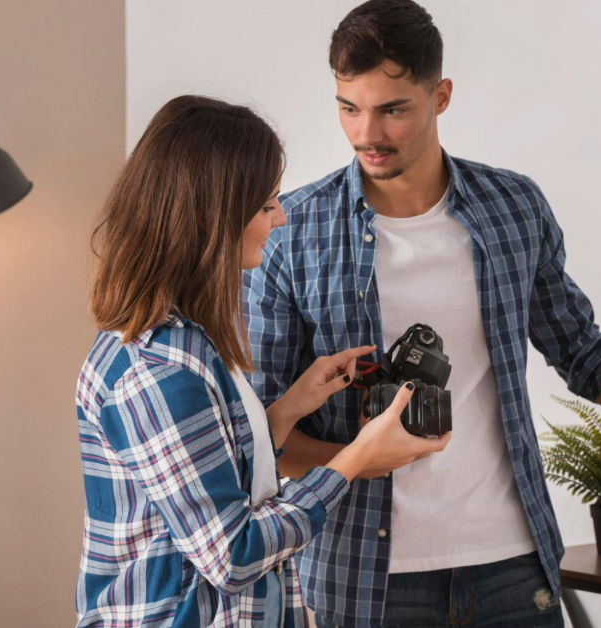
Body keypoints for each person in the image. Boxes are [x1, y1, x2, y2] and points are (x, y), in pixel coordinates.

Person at [244, 2, 601, 627]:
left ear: (440, 96)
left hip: (513, 568)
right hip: (364, 578)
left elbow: (581, 350)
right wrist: (358, 457)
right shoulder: (291, 230)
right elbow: (265, 433)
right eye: (349, 107)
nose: (368, 134)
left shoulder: (512, 208)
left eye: (393, 109)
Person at [75, 95, 450, 628]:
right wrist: (353, 461)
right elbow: (232, 555)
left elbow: (208, 480)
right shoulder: (155, 370)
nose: (281, 215)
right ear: (214, 217)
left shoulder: (189, 339)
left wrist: (290, 408)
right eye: (266, 203)